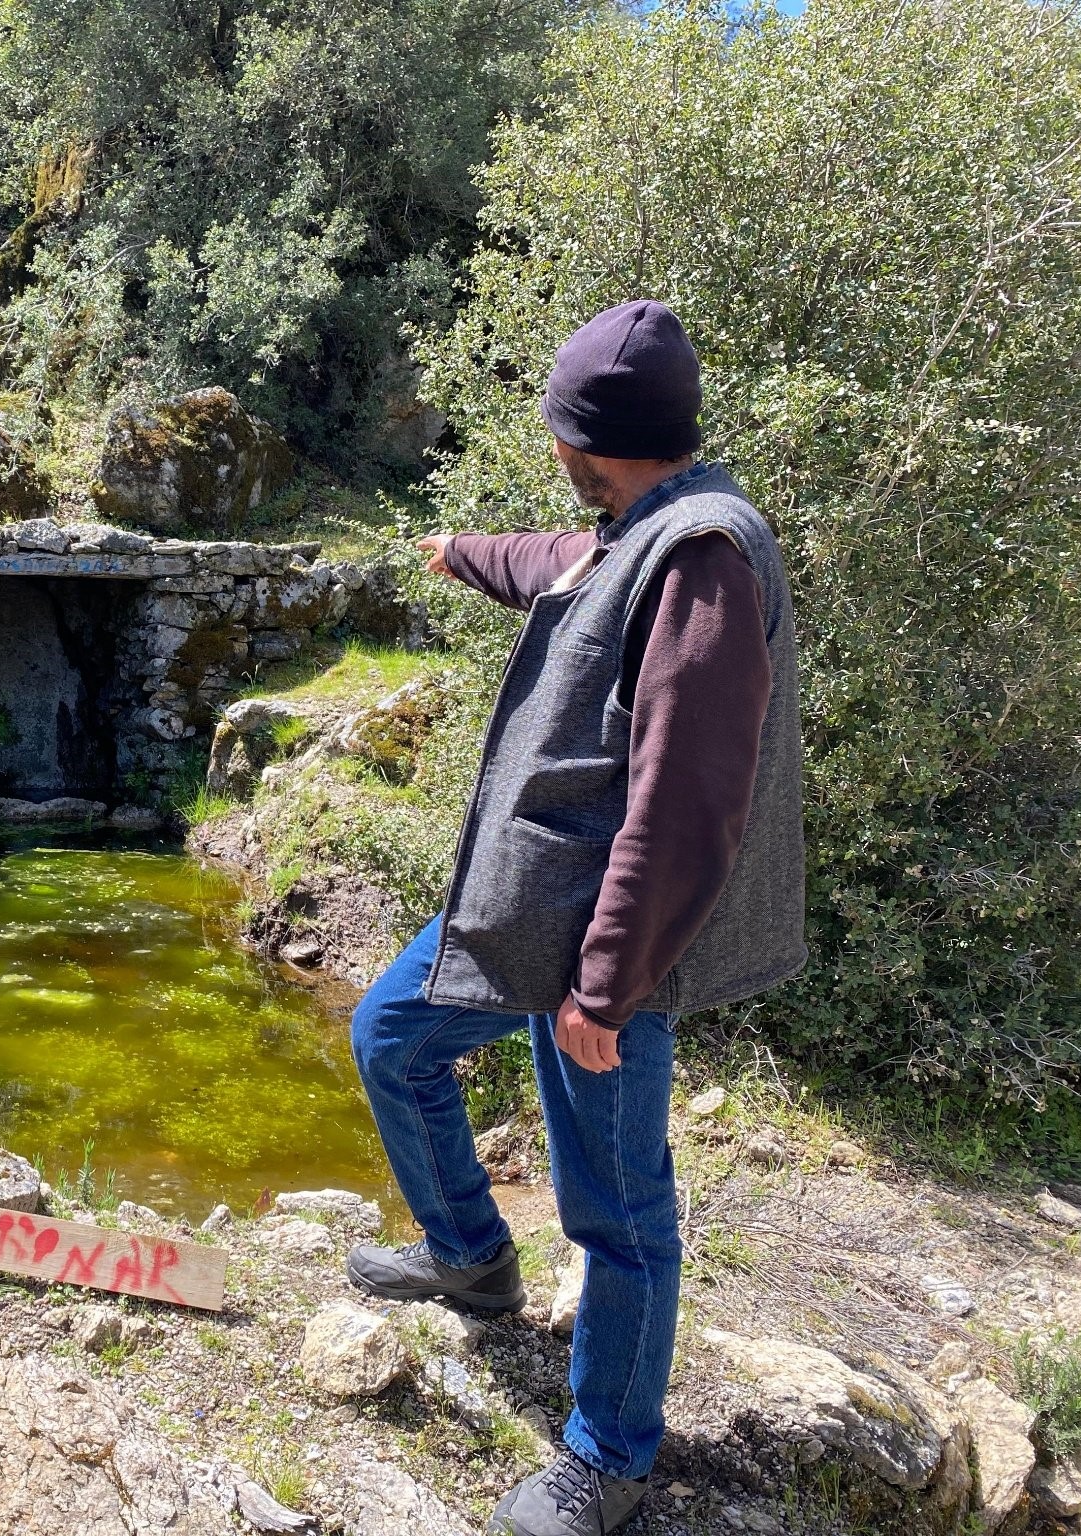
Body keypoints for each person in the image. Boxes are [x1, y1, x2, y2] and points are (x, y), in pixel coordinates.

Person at [344, 300, 806, 1536]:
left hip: (609, 946)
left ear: (587, 438)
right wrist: (459, 550)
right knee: (391, 1040)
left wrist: (605, 984)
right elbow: (553, 565)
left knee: (614, 1204)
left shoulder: (702, 554)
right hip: (533, 916)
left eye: (557, 429)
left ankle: (607, 1457)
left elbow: (687, 795)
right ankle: (470, 1260)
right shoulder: (636, 526)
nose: (551, 449)